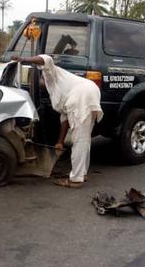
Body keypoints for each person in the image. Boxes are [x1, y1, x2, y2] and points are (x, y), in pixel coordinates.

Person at [12, 54, 103, 188]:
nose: (39, 83)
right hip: (89, 91)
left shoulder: (51, 75)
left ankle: (76, 180)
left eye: (38, 81)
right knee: (84, 139)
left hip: (82, 95)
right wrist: (60, 141)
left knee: (79, 140)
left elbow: (46, 59)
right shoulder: (56, 90)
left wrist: (24, 59)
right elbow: (64, 119)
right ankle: (81, 173)